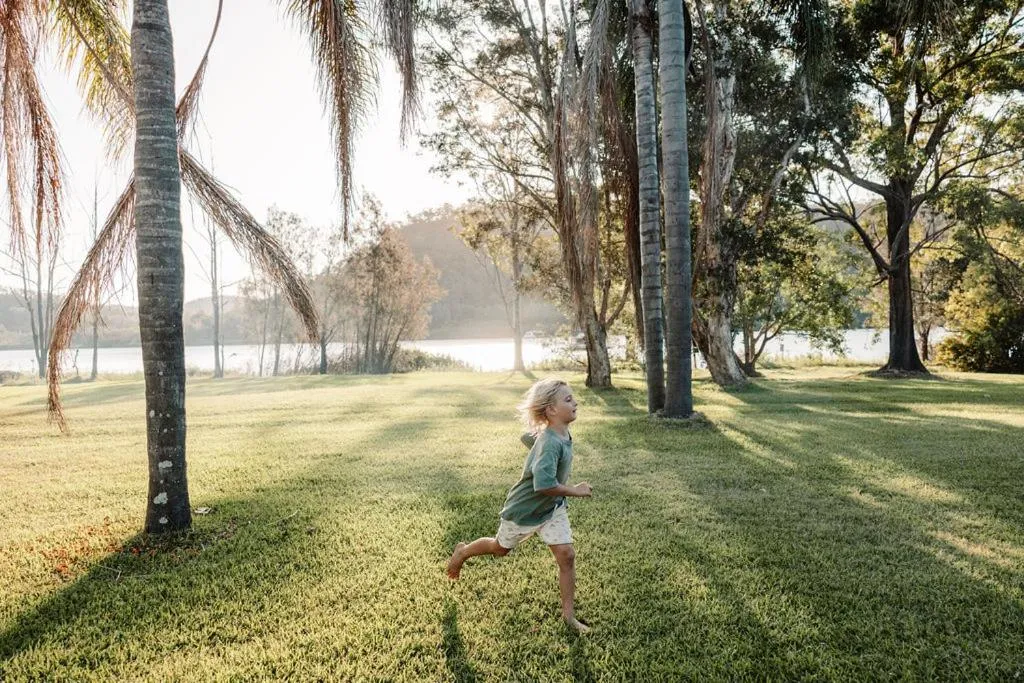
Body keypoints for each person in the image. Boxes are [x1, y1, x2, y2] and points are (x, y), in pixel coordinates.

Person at [446, 378, 593, 634]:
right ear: (551, 410)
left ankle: (569, 617)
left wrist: (535, 445)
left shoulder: (557, 433)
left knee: (567, 556)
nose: (575, 402)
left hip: (552, 510)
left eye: (573, 398)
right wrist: (576, 491)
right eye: (568, 400)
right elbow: (544, 485)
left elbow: (530, 438)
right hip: (524, 511)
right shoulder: (550, 442)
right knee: (499, 548)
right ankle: (463, 552)